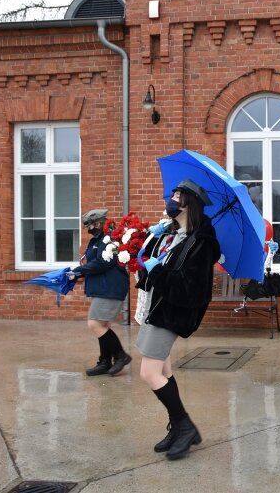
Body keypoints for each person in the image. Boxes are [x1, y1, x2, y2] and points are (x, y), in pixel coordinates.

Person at [135, 179, 220, 460]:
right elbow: (157, 268)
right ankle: (179, 426)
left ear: (189, 202)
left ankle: (185, 425)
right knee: (164, 371)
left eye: (176, 195)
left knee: (149, 373)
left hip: (171, 313)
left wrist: (157, 271)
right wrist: (149, 256)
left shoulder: (201, 243)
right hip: (157, 307)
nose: (170, 199)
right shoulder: (174, 235)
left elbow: (191, 290)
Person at [69, 209, 132, 377]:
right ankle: (105, 362)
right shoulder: (97, 240)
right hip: (102, 288)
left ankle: (121, 355)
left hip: (109, 288)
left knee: (94, 324)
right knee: (103, 326)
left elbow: (102, 263)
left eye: (89, 225)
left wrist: (79, 270)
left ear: (98, 223)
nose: (88, 228)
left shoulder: (108, 239)